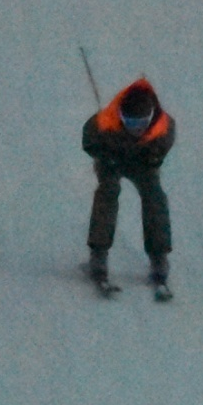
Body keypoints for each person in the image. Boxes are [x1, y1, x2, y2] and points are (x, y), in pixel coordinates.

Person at [82, 78, 173, 293]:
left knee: (154, 195)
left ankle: (159, 257)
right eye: (130, 123)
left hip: (142, 163)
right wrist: (104, 156)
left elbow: (162, 148)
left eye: (141, 124)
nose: (136, 129)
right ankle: (99, 254)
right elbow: (88, 141)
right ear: (121, 116)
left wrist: (153, 159)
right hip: (112, 161)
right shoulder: (104, 122)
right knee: (108, 191)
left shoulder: (163, 127)